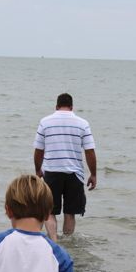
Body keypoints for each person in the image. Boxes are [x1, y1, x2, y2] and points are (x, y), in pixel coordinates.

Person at [34, 93, 97, 242]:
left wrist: (38, 170)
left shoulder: (45, 122)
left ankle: (53, 241)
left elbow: (38, 150)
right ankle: (68, 243)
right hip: (74, 173)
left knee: (50, 212)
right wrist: (93, 174)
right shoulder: (82, 123)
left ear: (56, 106)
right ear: (72, 107)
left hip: (51, 172)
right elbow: (89, 151)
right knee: (70, 212)